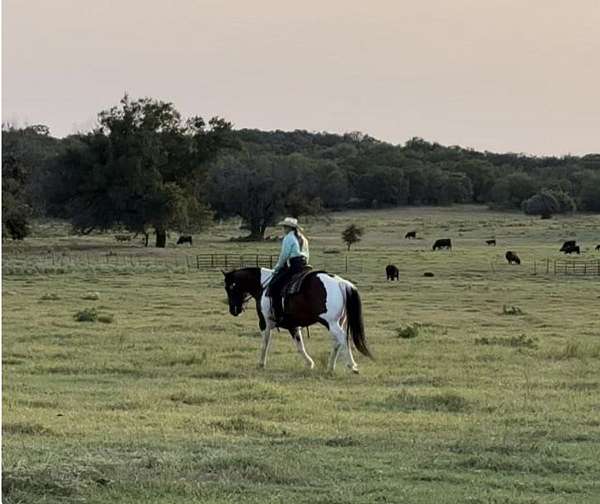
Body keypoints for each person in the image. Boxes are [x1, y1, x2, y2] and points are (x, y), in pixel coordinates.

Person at [268, 217, 310, 323]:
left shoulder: (288, 238)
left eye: (284, 227)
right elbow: (307, 254)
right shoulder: (303, 239)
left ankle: (279, 315)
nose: (283, 228)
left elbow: (284, 255)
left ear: (288, 227)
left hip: (294, 265)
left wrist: (277, 268)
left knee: (274, 287)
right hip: (304, 265)